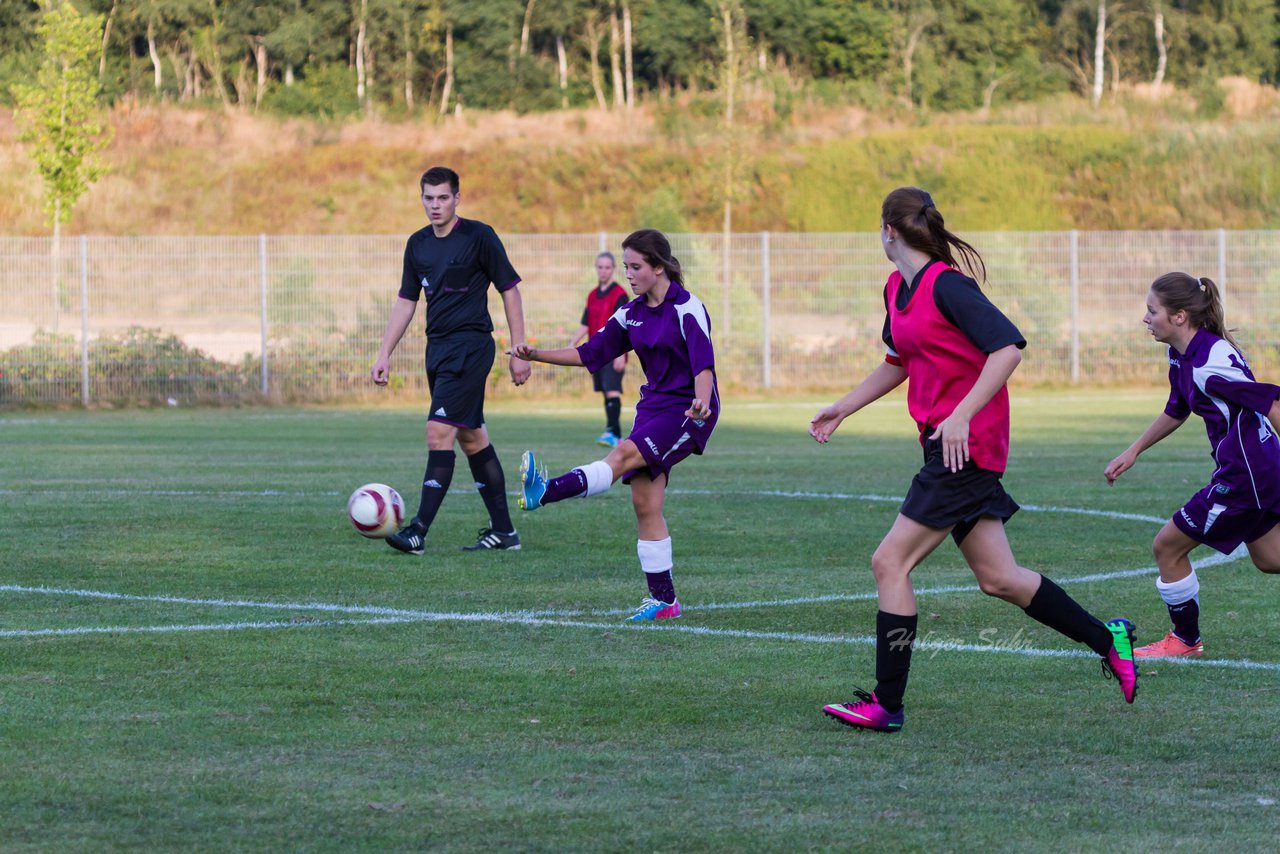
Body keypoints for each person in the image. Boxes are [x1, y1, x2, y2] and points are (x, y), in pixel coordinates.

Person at [809, 186, 1138, 734]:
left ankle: (886, 703)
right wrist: (843, 407)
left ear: (888, 230)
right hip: (947, 445)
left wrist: (961, 414)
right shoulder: (897, 288)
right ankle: (1112, 641)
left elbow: (1007, 347)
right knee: (1000, 578)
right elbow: (897, 362)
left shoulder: (949, 286)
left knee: (889, 563)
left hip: (965, 448)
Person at [509, 229, 717, 621]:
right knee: (644, 502)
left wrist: (702, 400)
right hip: (653, 407)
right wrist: (536, 354)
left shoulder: (687, 308)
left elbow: (703, 364)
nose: (629, 274)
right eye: (625, 267)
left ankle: (546, 491)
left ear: (659, 267)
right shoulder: (631, 313)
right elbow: (590, 353)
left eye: (636, 267)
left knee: (622, 453)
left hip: (689, 411)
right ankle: (665, 601)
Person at [1104, 272, 1280, 658]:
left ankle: (1184, 641)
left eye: (1152, 311)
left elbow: (1272, 404)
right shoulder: (1183, 354)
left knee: (1167, 546)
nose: (1146, 319)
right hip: (1260, 469)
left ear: (1180, 316)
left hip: (1245, 477)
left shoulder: (1208, 367)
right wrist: (1133, 451)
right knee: (1271, 559)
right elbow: (1178, 408)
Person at [370, 165, 531, 554]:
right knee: (472, 438)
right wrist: (383, 352)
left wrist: (519, 349)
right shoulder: (418, 244)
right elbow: (407, 301)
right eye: (429, 198)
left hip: (471, 346)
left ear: (458, 198)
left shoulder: (479, 236)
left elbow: (510, 290)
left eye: (443, 197)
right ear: (421, 198)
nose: (435, 205)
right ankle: (505, 532)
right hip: (437, 348)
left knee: (437, 431)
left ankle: (417, 531)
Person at [571, 251, 630, 448]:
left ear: (613, 269)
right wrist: (571, 345)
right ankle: (613, 432)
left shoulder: (620, 294)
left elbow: (624, 326)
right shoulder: (592, 295)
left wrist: (622, 354)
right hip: (597, 352)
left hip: (613, 353)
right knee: (606, 391)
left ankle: (614, 433)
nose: (603, 271)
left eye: (607, 267)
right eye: (600, 267)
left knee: (612, 390)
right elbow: (586, 323)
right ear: (596, 268)